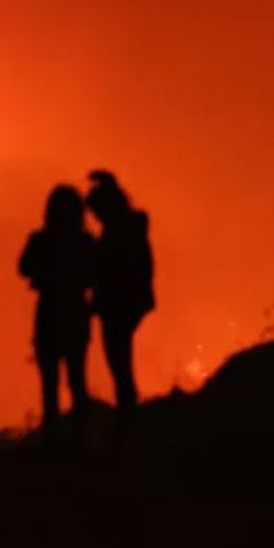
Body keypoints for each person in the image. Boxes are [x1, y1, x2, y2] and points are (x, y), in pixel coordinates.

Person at [19, 185, 95, 447]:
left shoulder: (41, 239)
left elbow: (24, 267)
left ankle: (52, 437)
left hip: (50, 310)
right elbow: (97, 273)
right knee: (76, 377)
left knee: (49, 379)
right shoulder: (85, 241)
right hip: (75, 310)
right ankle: (78, 436)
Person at [86, 170, 154, 437]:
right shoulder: (130, 228)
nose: (96, 218)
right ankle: (127, 416)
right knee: (120, 359)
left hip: (119, 302)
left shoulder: (117, 233)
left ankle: (127, 418)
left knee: (119, 359)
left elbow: (113, 270)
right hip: (128, 301)